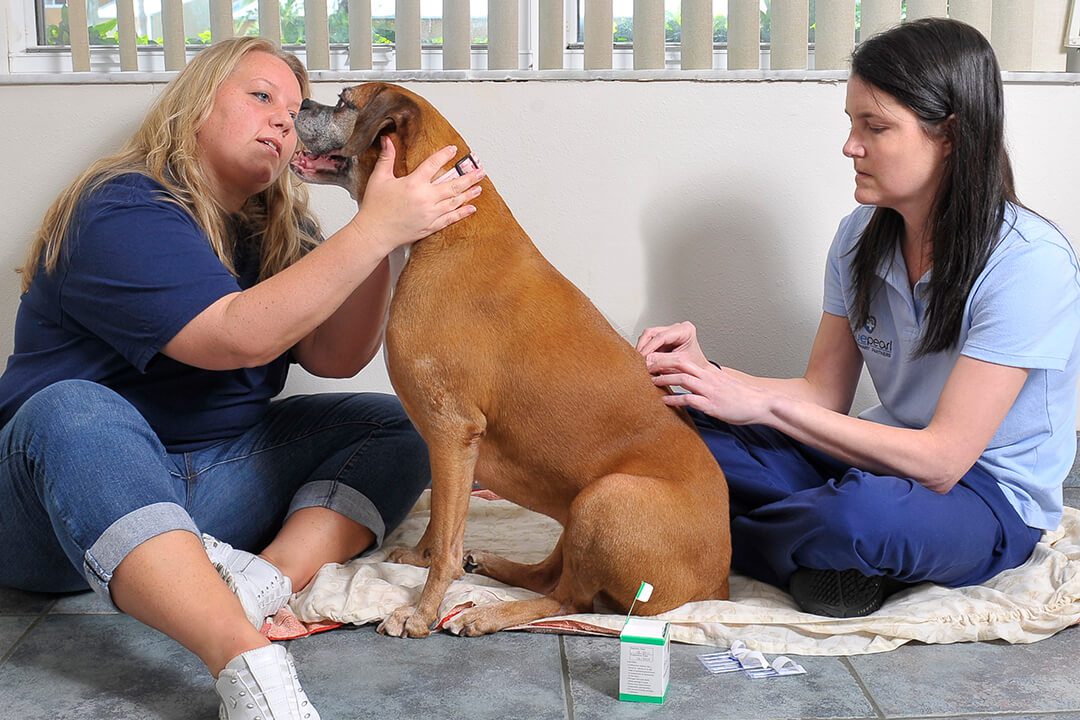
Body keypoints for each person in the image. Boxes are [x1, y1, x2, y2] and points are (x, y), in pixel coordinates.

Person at [0, 37, 483, 719]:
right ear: (195, 107)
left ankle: (261, 582)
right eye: (262, 97)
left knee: (394, 425)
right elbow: (234, 336)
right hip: (54, 504)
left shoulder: (278, 229)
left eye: (293, 109)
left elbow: (336, 357)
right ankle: (245, 659)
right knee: (74, 409)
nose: (286, 119)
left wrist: (376, 222)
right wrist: (375, 232)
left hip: (209, 486)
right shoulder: (121, 207)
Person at [638, 18, 1080, 619]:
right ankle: (820, 554)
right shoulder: (858, 239)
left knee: (861, 516)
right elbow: (822, 393)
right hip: (872, 457)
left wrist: (763, 405)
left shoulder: (1029, 265)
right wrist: (708, 377)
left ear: (949, 135)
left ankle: (711, 531)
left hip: (984, 495)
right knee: (668, 415)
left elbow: (943, 460)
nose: (851, 145)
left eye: (875, 127)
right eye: (851, 124)